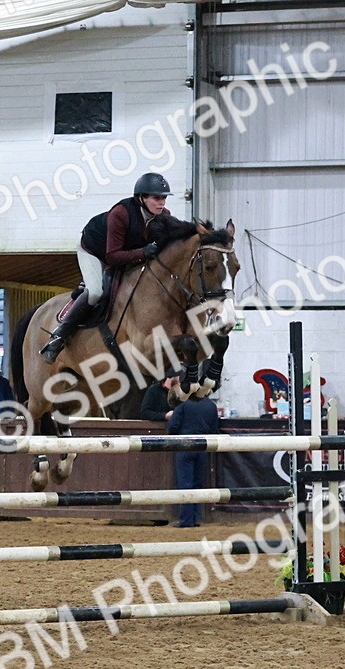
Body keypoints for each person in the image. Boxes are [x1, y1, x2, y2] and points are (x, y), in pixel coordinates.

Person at [40, 172, 173, 364]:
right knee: (95, 292)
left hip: (126, 254)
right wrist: (143, 252)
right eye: (156, 198)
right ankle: (58, 336)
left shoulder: (164, 217)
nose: (162, 203)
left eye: (164, 198)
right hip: (95, 252)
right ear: (141, 198)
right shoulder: (121, 213)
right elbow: (112, 256)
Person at [166, 392, 219, 527]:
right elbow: (214, 430)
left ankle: (186, 520)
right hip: (203, 446)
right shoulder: (211, 406)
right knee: (197, 483)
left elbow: (173, 427)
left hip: (185, 445)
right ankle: (196, 518)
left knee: (185, 483)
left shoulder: (183, 403)